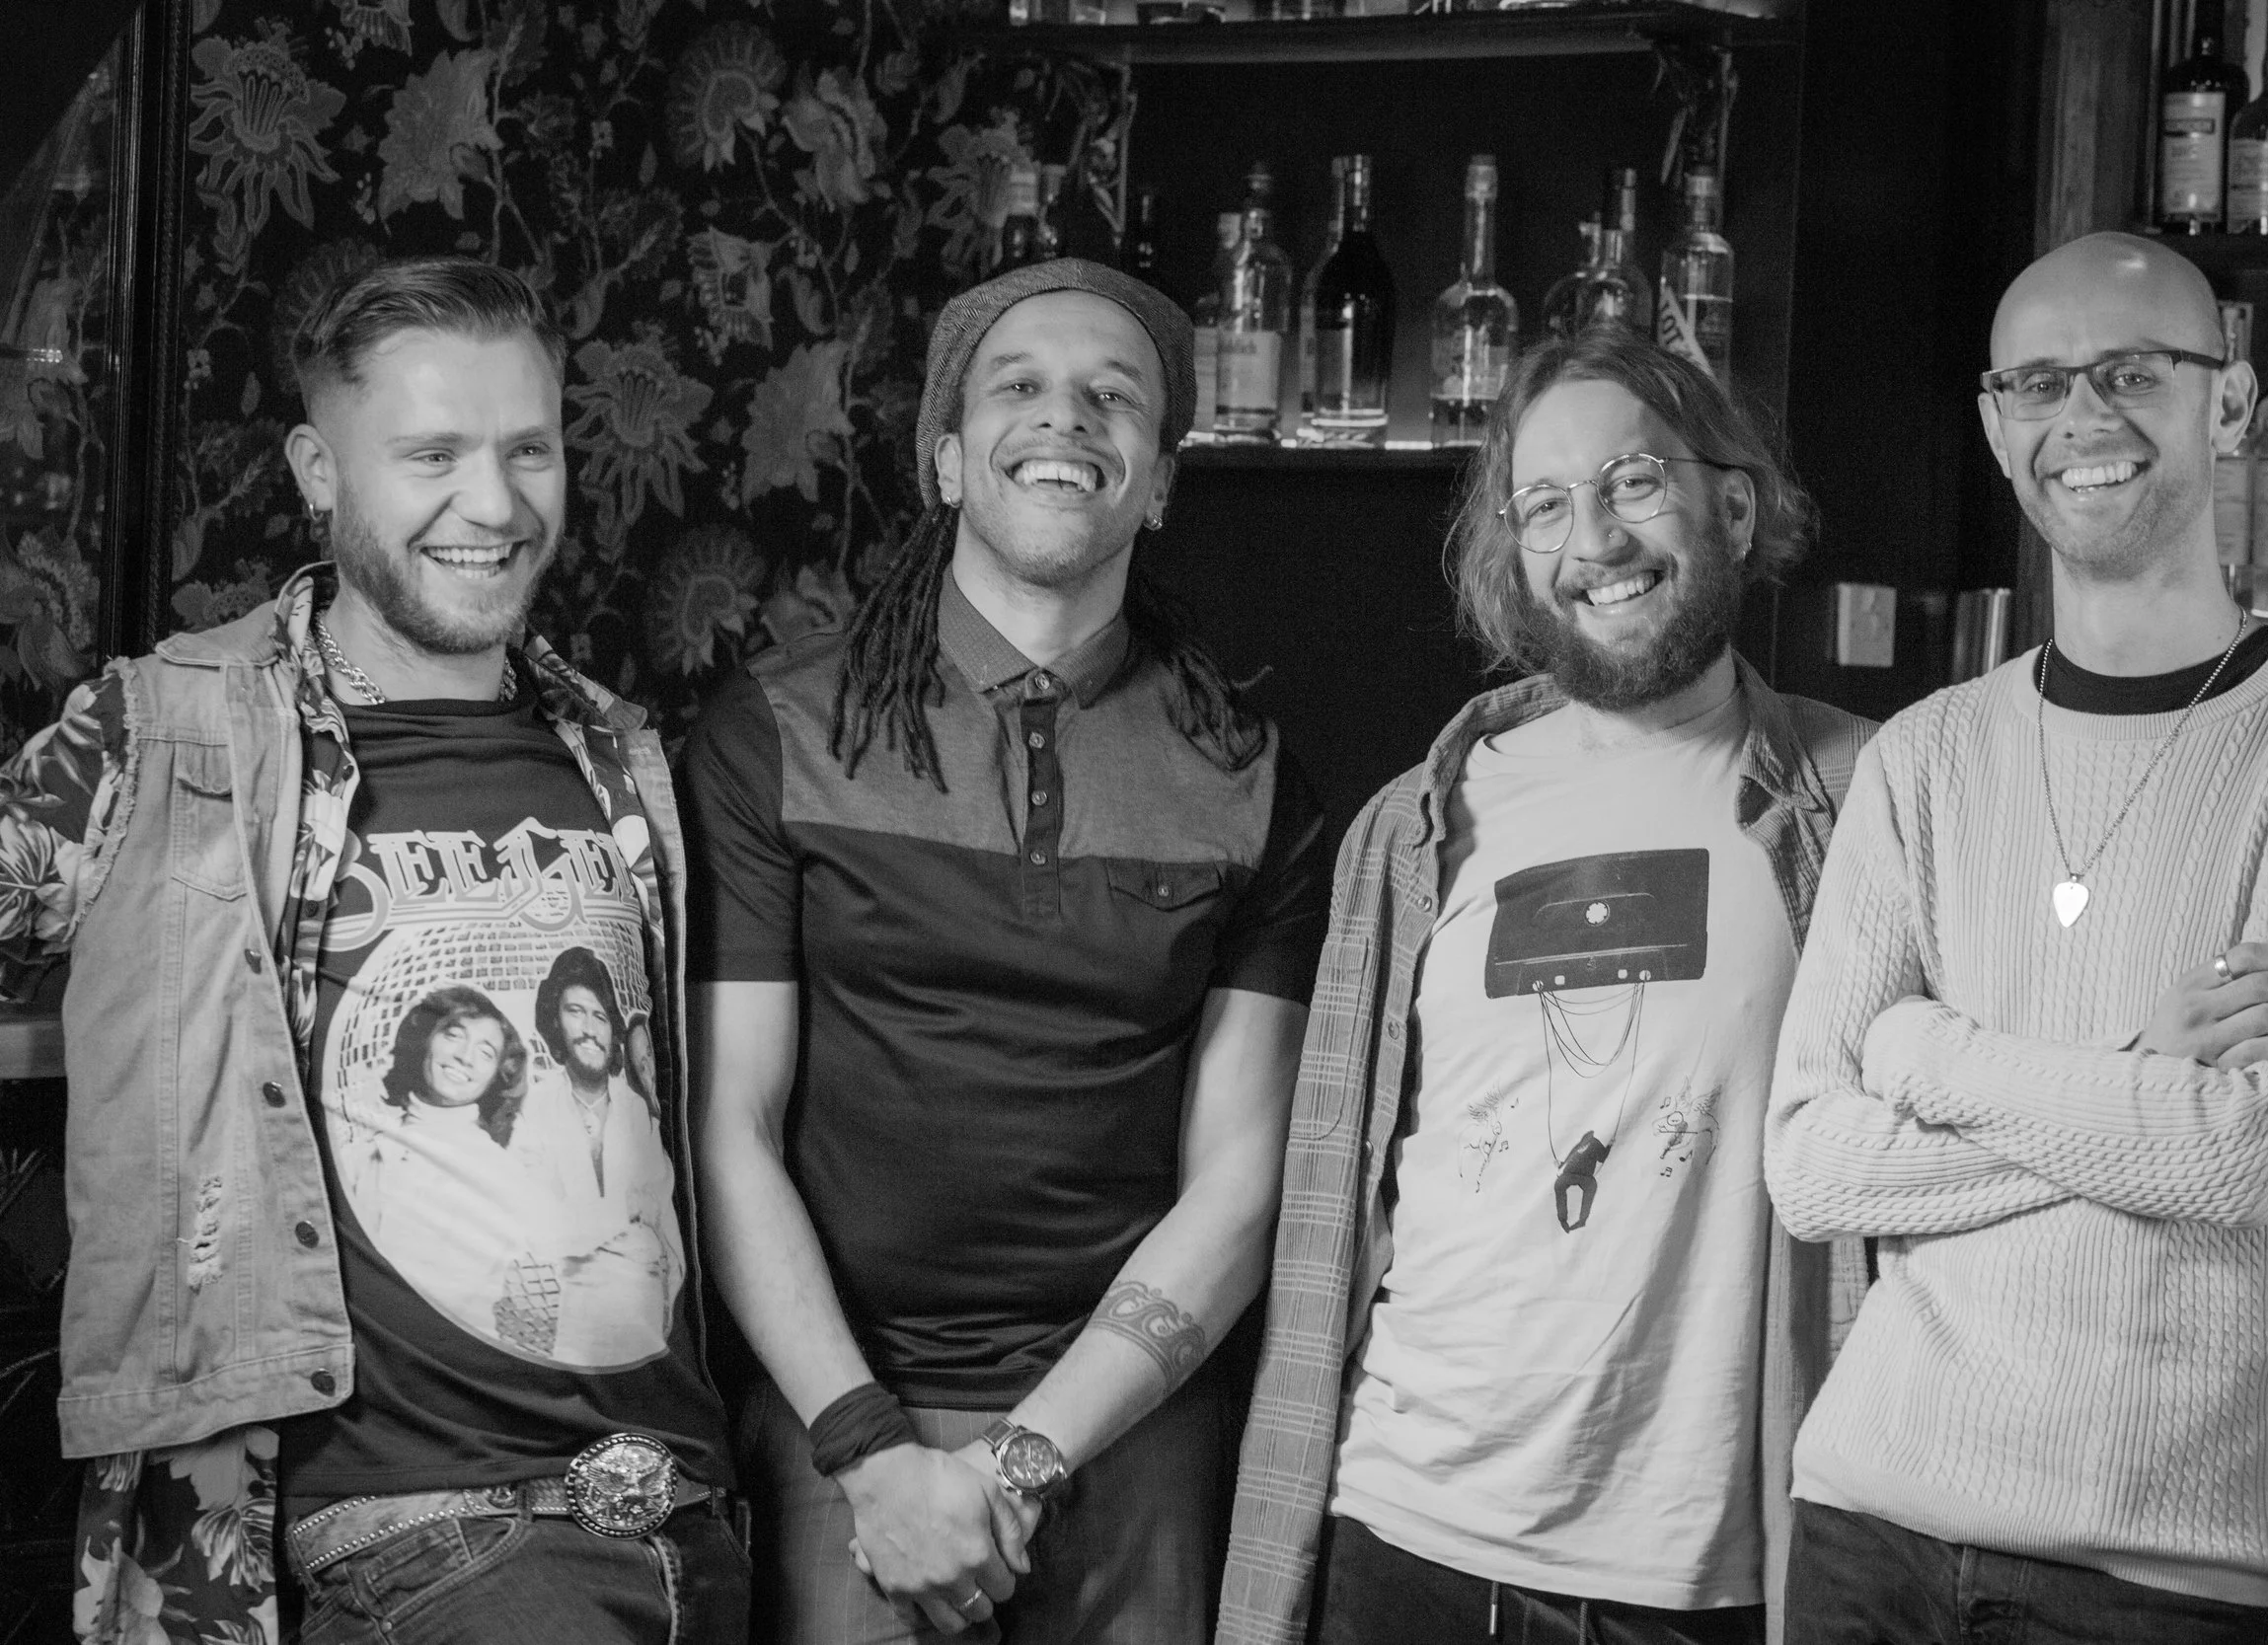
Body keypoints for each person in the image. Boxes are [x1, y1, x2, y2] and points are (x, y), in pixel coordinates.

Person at [0, 255, 744, 1643]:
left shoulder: (623, 753)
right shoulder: (168, 732)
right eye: (432, 454)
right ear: (317, 470)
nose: (495, 502)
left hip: (684, 1516)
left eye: (529, 449)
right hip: (412, 1538)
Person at [1766, 231, 2268, 1642]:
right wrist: (2141, 1067)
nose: (2082, 416)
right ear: (1994, 426)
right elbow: (1812, 1162)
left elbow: (2242, 1154)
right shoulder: (1922, 757)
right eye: (2039, 383)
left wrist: (1925, 1051)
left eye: (2133, 372)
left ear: (2230, 401)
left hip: (2160, 1568)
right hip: (1864, 1522)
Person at [683, 258, 1330, 1644]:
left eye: (1115, 397)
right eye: (1018, 385)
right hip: (840, 1419)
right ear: (945, 457)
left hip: (1133, 1416)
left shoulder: (1250, 777)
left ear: (1161, 480)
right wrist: (867, 1445)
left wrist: (1028, 1451)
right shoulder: (777, 733)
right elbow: (727, 1121)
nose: (1066, 417)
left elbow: (1238, 1182)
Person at [1218, 328, 1871, 1645]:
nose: (1596, 540)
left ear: (1732, 507)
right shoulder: (1412, 825)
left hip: (1698, 1570)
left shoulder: (1864, 796)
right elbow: (1339, 1195)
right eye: (1545, 506)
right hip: (1400, 1534)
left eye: (1634, 482)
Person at [518, 943, 682, 1365]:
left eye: (600, 1016)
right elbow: (539, 1234)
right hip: (567, 1335)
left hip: (649, 1330)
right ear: (555, 1022)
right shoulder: (534, 1109)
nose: (590, 1029)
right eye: (575, 1012)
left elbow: (667, 1238)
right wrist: (629, 1226)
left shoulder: (638, 1110)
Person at [355, 985, 539, 1338]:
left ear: (496, 1076)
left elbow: (441, 1298)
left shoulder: (496, 1173)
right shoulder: (371, 1149)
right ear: (426, 1041)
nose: (465, 1057)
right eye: (453, 1036)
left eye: (485, 1053)